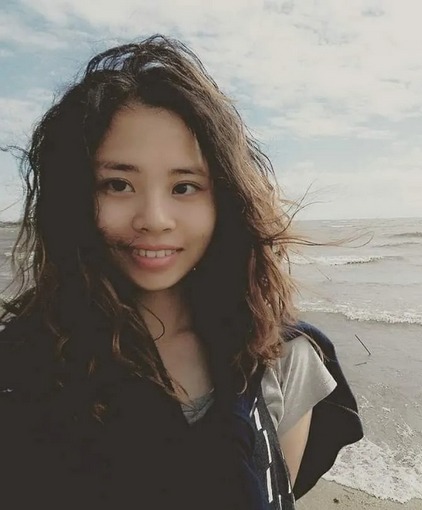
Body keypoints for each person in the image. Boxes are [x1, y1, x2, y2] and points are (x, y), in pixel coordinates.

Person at [0, 35, 363, 509]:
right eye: (118, 184)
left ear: (225, 199)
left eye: (185, 187)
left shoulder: (282, 355)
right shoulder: (21, 366)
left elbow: (277, 493)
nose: (154, 218)